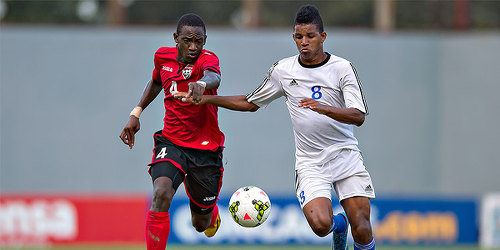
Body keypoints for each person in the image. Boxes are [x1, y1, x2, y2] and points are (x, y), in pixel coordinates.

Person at [176, 5, 375, 250]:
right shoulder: (284, 70)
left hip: (345, 155)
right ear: (294, 37)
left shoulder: (342, 68)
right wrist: (206, 98)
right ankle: (339, 225)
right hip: (311, 162)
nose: (304, 42)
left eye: (310, 36)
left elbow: (358, 116)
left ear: (322, 37)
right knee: (321, 225)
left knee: (363, 227)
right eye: (299, 37)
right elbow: (250, 102)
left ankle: (352, 227)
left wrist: (325, 108)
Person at [119, 13, 225, 250]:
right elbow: (157, 80)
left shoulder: (207, 60)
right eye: (187, 40)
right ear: (176, 38)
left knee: (201, 224)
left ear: (205, 41)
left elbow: (214, 76)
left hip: (205, 150)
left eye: (199, 41)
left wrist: (202, 84)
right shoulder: (162, 57)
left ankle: (210, 210)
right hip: (172, 142)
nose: (193, 47)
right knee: (161, 193)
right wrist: (136, 112)